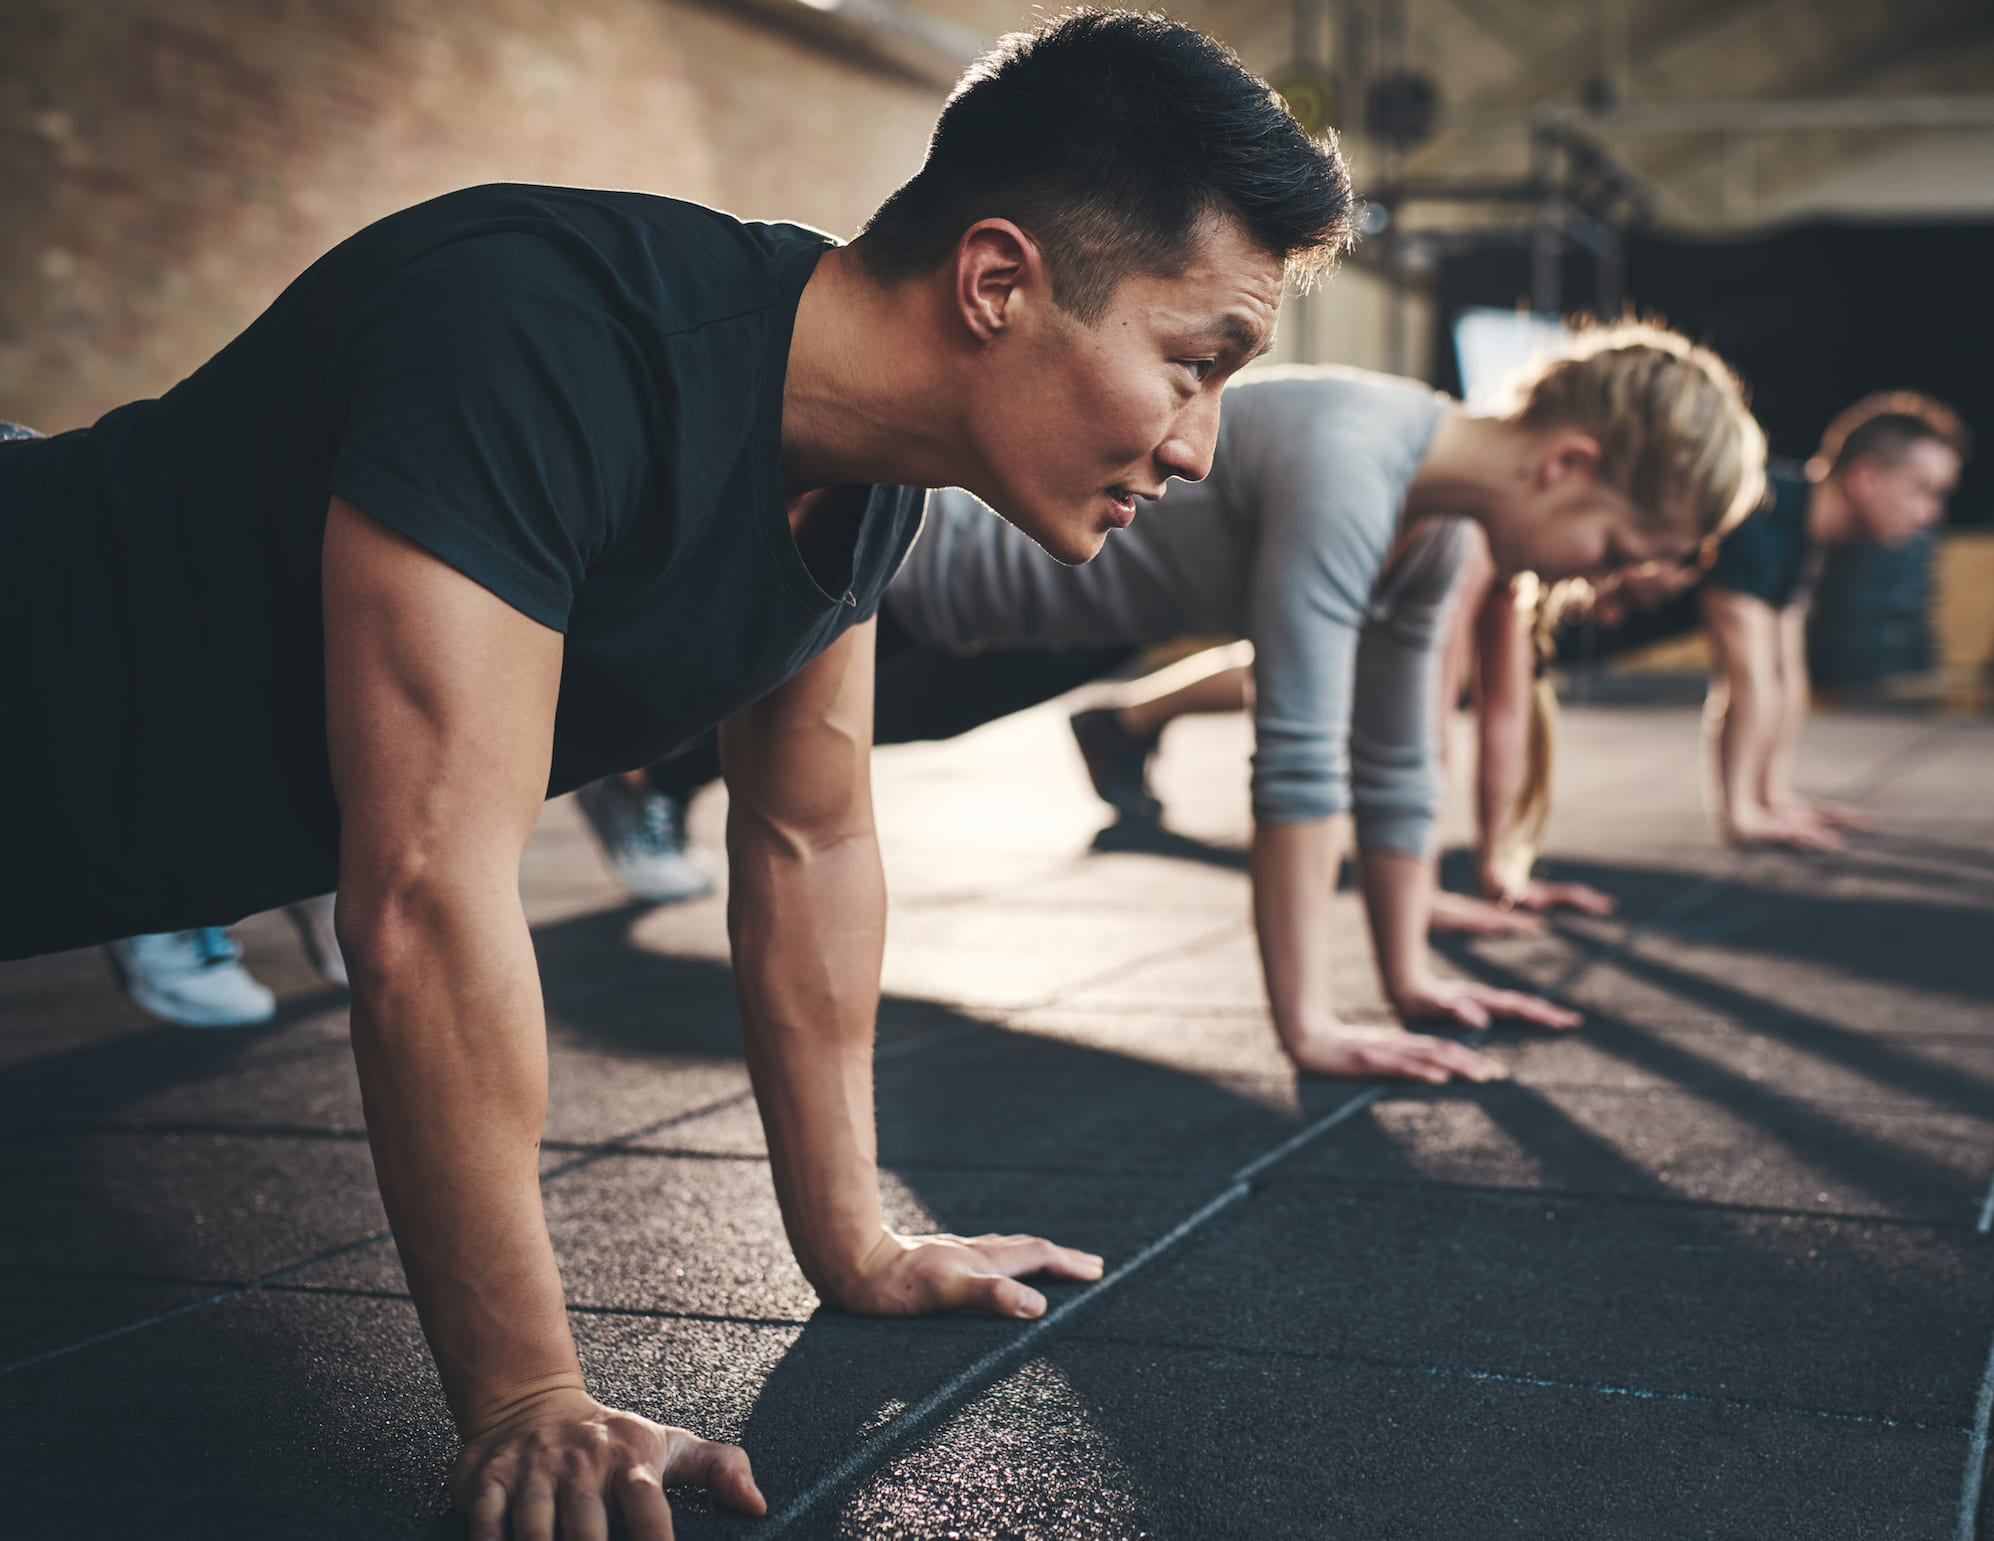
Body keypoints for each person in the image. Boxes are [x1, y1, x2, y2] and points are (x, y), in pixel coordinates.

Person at [0, 12, 1352, 1536]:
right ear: (995, 282)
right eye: (1194, 365)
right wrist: (526, 1401)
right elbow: (429, 893)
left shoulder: (864, 491)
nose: (1199, 447)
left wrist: (854, 1239)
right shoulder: (547, 337)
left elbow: (809, 837)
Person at [610, 321, 1769, 1087]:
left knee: (901, 730)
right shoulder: (1355, 456)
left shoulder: (1444, 523)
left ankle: (654, 765)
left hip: (1063, 623)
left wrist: (1408, 971)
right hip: (920, 574)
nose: (1595, 578)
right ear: (1566, 463)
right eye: (1613, 545)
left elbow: (1398, 750)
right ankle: (629, 760)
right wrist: (1308, 1029)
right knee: (733, 719)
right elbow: (1301, 755)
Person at [1701, 392, 1968, 849]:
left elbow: (1787, 674)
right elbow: (1746, 678)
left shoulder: (1801, 529)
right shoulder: (1762, 512)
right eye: (1922, 489)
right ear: (1865, 477)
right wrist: (1742, 816)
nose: (1931, 513)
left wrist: (1774, 799)